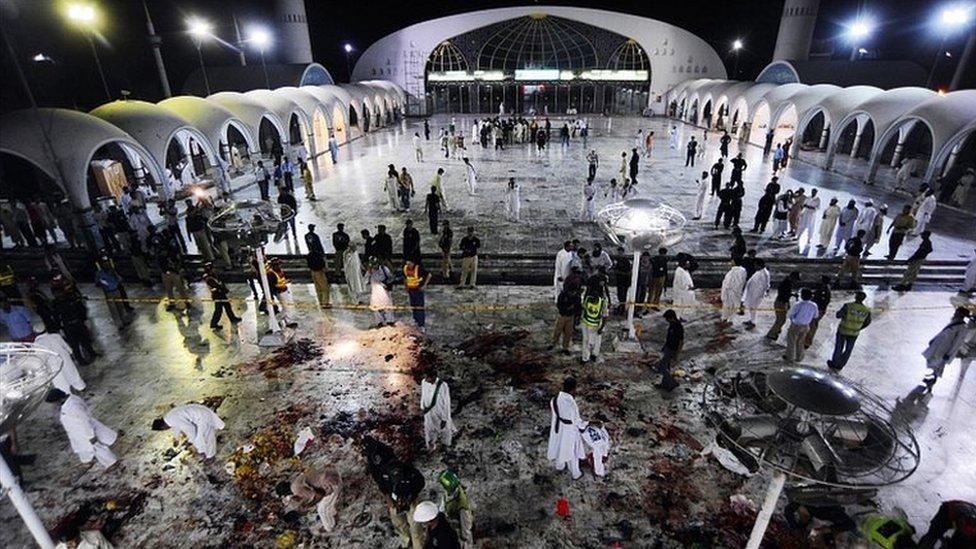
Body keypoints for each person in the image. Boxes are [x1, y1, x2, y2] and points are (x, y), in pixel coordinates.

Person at [48, 390, 117, 468]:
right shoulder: (71, 400)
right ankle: (96, 461)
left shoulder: (73, 406)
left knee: (96, 447)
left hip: (85, 431)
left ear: (59, 399)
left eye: (55, 403)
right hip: (78, 431)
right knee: (88, 448)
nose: (55, 405)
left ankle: (112, 462)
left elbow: (84, 421)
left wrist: (90, 435)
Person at [547, 377, 587, 480]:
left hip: (558, 427)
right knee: (571, 451)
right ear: (573, 389)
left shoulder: (554, 399)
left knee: (559, 446)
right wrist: (587, 424)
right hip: (569, 430)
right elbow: (577, 421)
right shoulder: (570, 402)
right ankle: (576, 473)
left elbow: (556, 415)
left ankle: (559, 466)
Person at [151, 404, 225, 459]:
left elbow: (191, 430)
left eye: (164, 430)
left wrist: (193, 442)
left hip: (202, 416)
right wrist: (176, 438)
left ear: (163, 427)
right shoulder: (169, 417)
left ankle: (211, 456)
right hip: (200, 412)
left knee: (204, 437)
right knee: (200, 438)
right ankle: (204, 451)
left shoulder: (172, 420)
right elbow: (177, 427)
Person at [921, 307, 971, 387]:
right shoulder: (953, 323)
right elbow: (942, 334)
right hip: (934, 351)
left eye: (957, 313)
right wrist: (932, 340)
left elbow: (956, 344)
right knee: (930, 375)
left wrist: (948, 355)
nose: (955, 314)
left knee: (931, 375)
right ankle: (921, 395)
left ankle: (916, 396)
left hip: (942, 355)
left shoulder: (961, 328)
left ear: (962, 315)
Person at [827, 291, 872, 371]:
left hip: (843, 330)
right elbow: (867, 322)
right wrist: (858, 327)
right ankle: (841, 364)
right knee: (848, 349)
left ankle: (834, 363)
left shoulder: (848, 306)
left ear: (855, 297)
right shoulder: (866, 310)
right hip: (854, 332)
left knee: (839, 347)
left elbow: (838, 315)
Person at [437, 470, 474, 549]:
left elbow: (465, 523)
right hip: (451, 525)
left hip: (460, 530)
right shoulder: (448, 493)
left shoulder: (462, 504)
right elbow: (443, 506)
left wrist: (464, 538)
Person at [421, 371, 454, 451]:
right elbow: (423, 395)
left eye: (427, 378)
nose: (425, 380)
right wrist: (422, 407)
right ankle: (430, 446)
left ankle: (446, 445)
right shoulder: (424, 382)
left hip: (439, 411)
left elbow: (446, 402)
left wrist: (444, 418)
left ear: (433, 376)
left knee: (445, 429)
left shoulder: (443, 385)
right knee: (429, 429)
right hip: (428, 412)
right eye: (425, 377)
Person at [784, 288, 819, 363]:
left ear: (802, 296)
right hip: (806, 325)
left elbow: (790, 314)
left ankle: (790, 358)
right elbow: (815, 316)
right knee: (801, 342)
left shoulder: (798, 304)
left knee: (791, 341)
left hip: (796, 325)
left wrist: (793, 320)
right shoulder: (814, 305)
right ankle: (799, 357)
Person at [203, 263, 242, 329]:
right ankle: (213, 323)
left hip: (220, 294)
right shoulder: (209, 278)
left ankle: (232, 318)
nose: (214, 269)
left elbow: (220, 283)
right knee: (218, 310)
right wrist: (225, 290)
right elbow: (218, 286)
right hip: (218, 295)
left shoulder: (212, 275)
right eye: (212, 268)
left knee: (227, 306)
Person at [654, 309, 684, 391]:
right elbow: (669, 337)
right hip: (668, 347)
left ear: (671, 318)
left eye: (667, 318)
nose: (666, 320)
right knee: (666, 367)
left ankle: (671, 383)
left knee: (662, 367)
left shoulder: (678, 327)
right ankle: (665, 383)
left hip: (672, 349)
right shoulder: (672, 324)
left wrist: (677, 354)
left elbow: (681, 341)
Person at [766, 271, 800, 341]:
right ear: (793, 278)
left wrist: (791, 296)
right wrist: (789, 301)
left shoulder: (787, 282)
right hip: (780, 303)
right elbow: (784, 295)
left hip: (782, 302)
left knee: (781, 319)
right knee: (781, 320)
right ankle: (771, 334)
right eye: (796, 279)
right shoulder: (786, 283)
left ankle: (777, 330)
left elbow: (786, 294)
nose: (796, 281)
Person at [580, 283, 608, 363]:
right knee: (586, 340)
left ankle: (594, 355)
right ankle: (585, 358)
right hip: (586, 323)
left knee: (596, 341)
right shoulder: (588, 298)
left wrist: (602, 327)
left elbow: (605, 316)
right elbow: (584, 309)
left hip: (596, 325)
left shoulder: (603, 302)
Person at [267, 258, 298, 328]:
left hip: (285, 290)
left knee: (287, 308)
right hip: (280, 293)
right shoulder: (271, 274)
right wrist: (284, 283)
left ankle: (287, 321)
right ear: (274, 265)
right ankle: (276, 320)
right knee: (286, 308)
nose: (280, 266)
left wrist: (285, 282)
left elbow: (281, 280)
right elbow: (273, 285)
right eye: (278, 265)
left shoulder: (279, 271)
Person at [550, 285, 581, 353]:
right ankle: (553, 343)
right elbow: (559, 305)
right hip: (562, 315)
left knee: (568, 333)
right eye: (572, 292)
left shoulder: (577, 297)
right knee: (557, 330)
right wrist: (566, 309)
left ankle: (565, 347)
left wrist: (577, 317)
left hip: (571, 316)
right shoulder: (563, 295)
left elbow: (579, 308)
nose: (573, 293)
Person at [367, 257, 395, 327]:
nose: (374, 267)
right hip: (375, 291)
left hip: (384, 290)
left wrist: (385, 283)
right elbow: (365, 280)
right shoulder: (370, 271)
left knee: (387, 306)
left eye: (375, 265)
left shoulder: (384, 269)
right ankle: (379, 322)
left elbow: (391, 277)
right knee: (376, 307)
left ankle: (390, 321)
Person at [804, 275, 832, 348]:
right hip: (818, 309)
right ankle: (807, 340)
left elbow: (822, 300)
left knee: (812, 326)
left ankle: (807, 342)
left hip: (819, 309)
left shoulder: (824, 289)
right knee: (812, 325)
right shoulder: (824, 287)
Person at [742, 259, 770, 329]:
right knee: (751, 308)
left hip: (757, 294)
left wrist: (761, 294)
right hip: (753, 293)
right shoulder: (759, 272)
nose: (755, 266)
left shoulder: (765, 273)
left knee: (753, 308)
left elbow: (766, 285)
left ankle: (753, 323)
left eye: (756, 265)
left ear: (759, 265)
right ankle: (752, 320)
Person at [404, 258, 430, 329]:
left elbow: (429, 275)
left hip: (418, 291)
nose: (408, 265)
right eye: (407, 264)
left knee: (419, 308)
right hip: (411, 290)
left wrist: (424, 285)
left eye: (409, 264)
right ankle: (415, 321)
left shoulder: (418, 269)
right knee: (413, 306)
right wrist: (406, 286)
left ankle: (421, 325)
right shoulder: (405, 268)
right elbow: (405, 278)